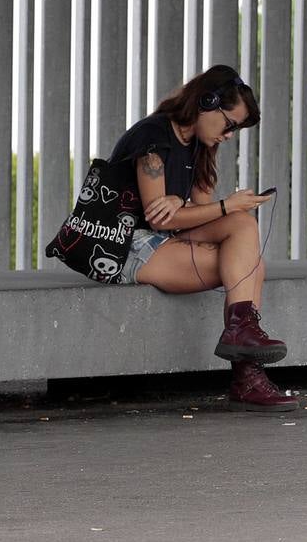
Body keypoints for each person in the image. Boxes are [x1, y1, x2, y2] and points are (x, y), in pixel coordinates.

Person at [109, 64, 294, 412]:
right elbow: (157, 217)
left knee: (242, 228)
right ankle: (246, 376)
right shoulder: (153, 138)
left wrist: (209, 205)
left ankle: (242, 343)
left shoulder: (200, 146)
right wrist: (226, 204)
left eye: (236, 129)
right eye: (230, 124)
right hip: (126, 244)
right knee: (248, 264)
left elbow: (204, 212)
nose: (230, 135)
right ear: (206, 103)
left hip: (162, 238)